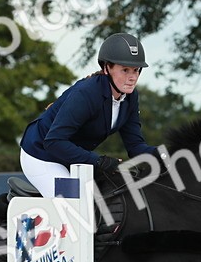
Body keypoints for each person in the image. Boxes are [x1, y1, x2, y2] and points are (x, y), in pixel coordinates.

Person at [19, 33, 158, 197]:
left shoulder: (130, 97)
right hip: (41, 155)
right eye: (125, 70)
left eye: (136, 70)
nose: (132, 77)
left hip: (72, 159)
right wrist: (99, 161)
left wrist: (164, 154)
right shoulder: (86, 93)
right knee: (72, 204)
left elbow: (135, 146)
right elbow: (54, 141)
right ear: (107, 68)